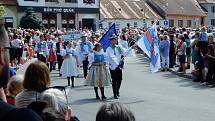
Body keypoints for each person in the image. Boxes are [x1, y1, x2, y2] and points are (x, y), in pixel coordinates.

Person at [106, 34, 133, 99]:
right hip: (113, 66)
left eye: (114, 39)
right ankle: (115, 93)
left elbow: (125, 52)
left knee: (120, 79)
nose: (113, 41)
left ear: (116, 40)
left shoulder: (119, 47)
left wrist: (131, 47)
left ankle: (117, 90)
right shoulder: (109, 49)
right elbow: (112, 57)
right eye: (112, 40)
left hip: (118, 66)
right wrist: (117, 64)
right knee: (114, 80)